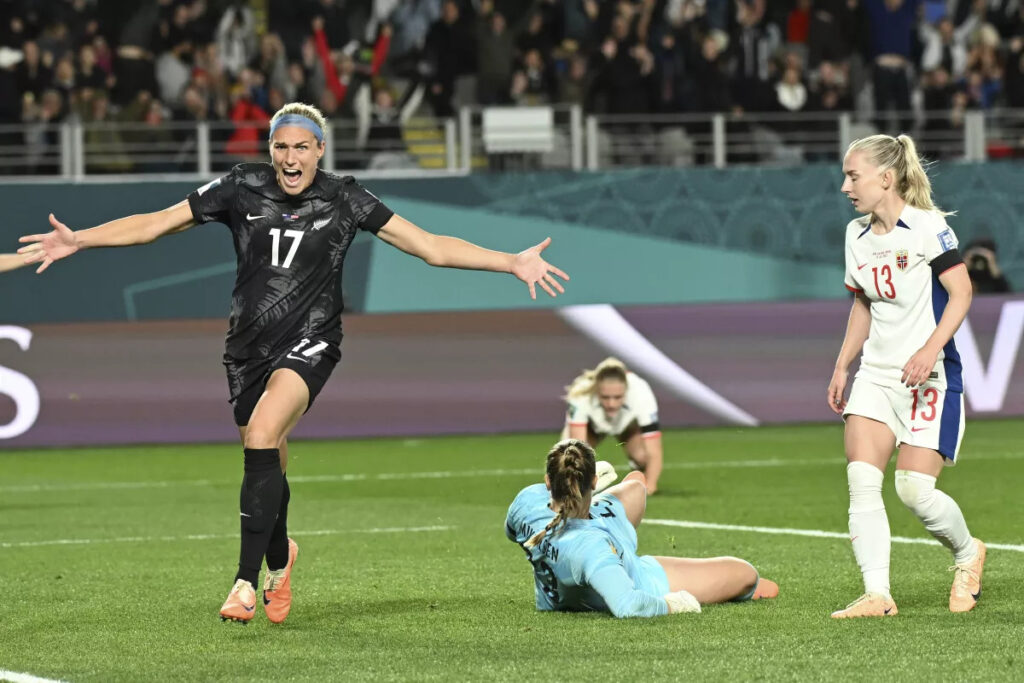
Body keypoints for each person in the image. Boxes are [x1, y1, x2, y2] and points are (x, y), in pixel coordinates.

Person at [18, 102, 570, 625]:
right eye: (281, 147)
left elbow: (429, 246)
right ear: (270, 148)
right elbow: (158, 222)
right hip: (246, 348)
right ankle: (281, 557)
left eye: (302, 148)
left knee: (261, 435)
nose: (290, 159)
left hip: (311, 341)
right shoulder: (240, 185)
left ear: (320, 150)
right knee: (268, 457)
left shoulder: (346, 199)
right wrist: (81, 241)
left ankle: (242, 582)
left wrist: (509, 262)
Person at [828, 133, 985, 619]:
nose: (845, 186)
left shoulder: (928, 228)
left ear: (886, 177)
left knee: (914, 491)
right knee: (861, 480)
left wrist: (929, 349)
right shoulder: (856, 235)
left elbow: (962, 293)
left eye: (853, 176)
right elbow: (863, 303)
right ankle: (878, 594)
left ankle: (967, 554)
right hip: (876, 375)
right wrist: (842, 363)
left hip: (930, 375)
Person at [505, 438, 778, 618]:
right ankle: (744, 590)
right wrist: (674, 604)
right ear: (594, 480)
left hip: (588, 525)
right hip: (634, 575)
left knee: (636, 483)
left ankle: (586, 496)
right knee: (745, 573)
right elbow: (628, 605)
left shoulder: (527, 500)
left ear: (547, 482)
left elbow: (512, 532)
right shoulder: (592, 550)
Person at [562, 357, 665, 494]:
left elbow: (654, 451)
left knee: (643, 456)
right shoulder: (581, 394)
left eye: (617, 397)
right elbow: (577, 448)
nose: (612, 404)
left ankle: (637, 469)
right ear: (596, 390)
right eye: (605, 397)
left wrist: (650, 486)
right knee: (568, 459)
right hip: (591, 427)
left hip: (627, 426)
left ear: (626, 391)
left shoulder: (641, 393)